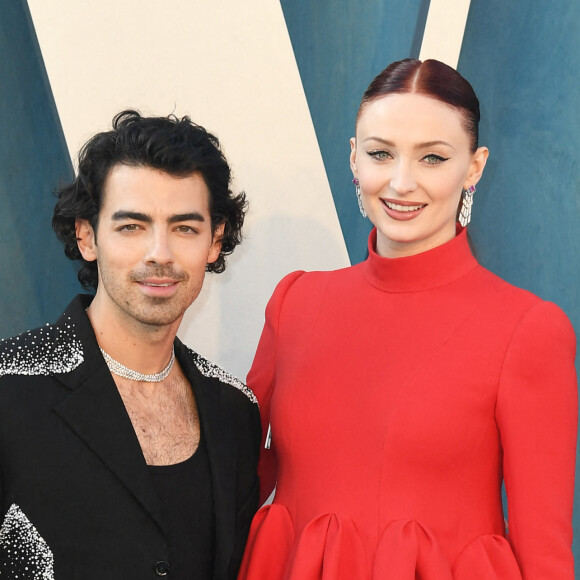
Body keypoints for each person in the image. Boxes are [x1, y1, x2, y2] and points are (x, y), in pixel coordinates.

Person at [238, 59, 577, 579]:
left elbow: (542, 549)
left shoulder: (526, 329)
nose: (401, 183)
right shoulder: (295, 302)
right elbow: (233, 483)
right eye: (380, 153)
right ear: (354, 157)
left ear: (474, 166)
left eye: (433, 158)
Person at [0, 110, 260, 579]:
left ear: (215, 240)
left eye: (184, 227)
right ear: (87, 235)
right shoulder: (9, 386)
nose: (159, 252)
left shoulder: (234, 411)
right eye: (132, 226)